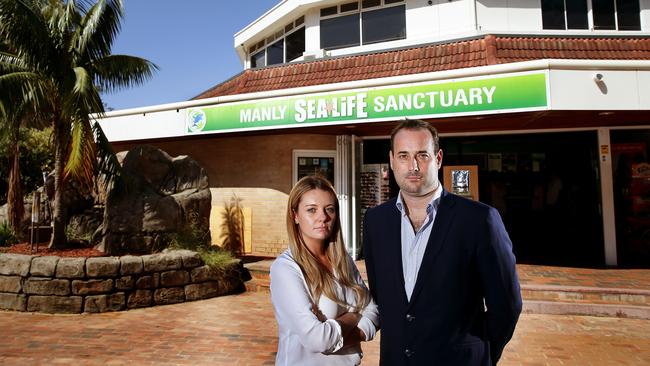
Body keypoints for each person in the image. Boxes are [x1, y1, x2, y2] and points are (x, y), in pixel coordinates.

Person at [363, 119, 522, 365]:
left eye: (422, 155)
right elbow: (383, 298)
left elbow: (507, 306)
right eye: (404, 156)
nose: (413, 166)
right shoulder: (375, 221)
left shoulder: (479, 220)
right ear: (392, 160)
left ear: (438, 159)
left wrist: (481, 356)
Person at [271, 175, 379, 366]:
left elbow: (373, 311)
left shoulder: (342, 260)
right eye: (311, 210)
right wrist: (354, 315)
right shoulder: (286, 269)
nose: (323, 217)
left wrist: (334, 332)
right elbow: (317, 340)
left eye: (329, 209)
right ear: (295, 215)